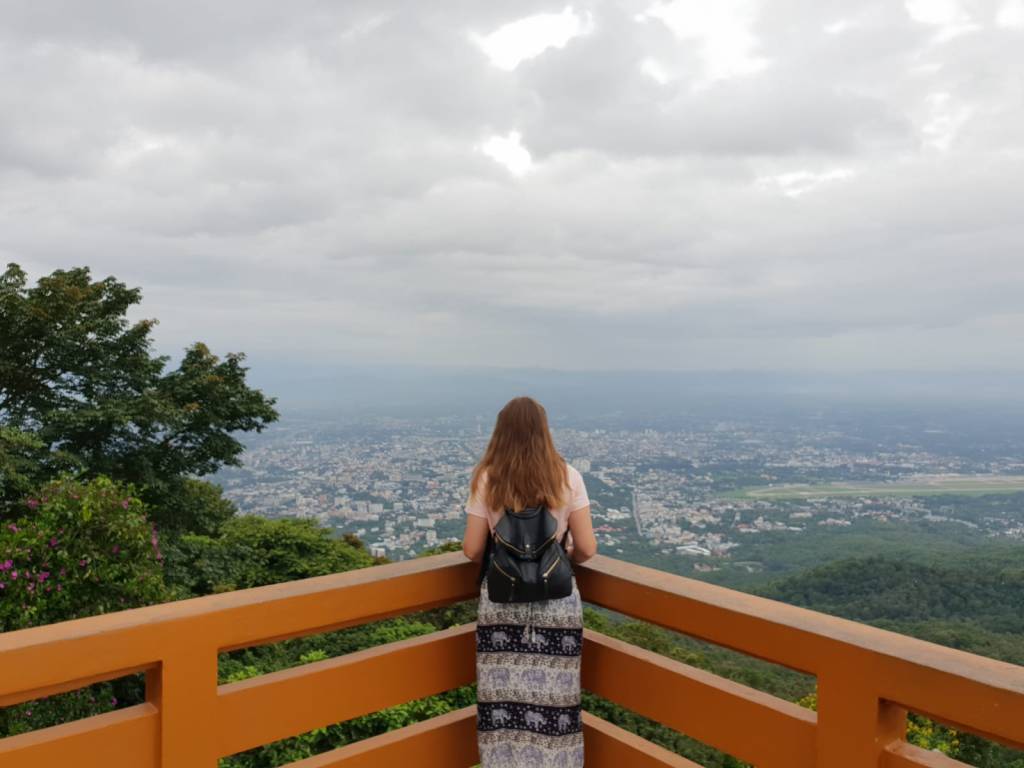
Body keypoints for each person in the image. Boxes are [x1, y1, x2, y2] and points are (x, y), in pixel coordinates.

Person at [462, 396, 598, 768]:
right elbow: (586, 547)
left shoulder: (487, 478)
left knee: (503, 703)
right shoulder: (568, 476)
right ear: (544, 431)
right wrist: (559, 557)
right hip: (557, 606)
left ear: (500, 433)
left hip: (501, 606)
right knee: (556, 703)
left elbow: (473, 549)